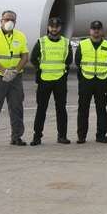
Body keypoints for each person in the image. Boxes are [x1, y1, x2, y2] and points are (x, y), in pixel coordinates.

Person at [0, 10, 30, 149]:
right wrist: (4, 71)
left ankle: (16, 137)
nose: (9, 22)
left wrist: (15, 71)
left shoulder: (20, 36)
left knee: (16, 107)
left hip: (15, 77)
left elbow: (25, 57)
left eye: (12, 20)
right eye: (6, 19)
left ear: (15, 22)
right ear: (1, 21)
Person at [29, 17, 72, 146]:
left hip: (60, 80)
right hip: (44, 80)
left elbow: (69, 60)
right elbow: (33, 59)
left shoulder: (66, 42)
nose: (54, 29)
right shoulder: (41, 42)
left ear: (60, 28)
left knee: (61, 109)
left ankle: (62, 136)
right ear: (48, 27)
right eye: (52, 26)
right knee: (41, 109)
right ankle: (37, 137)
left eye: (57, 26)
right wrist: (41, 69)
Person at [74, 20, 107, 144]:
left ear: (102, 31)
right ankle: (81, 136)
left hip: (101, 82)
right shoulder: (83, 44)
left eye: (98, 29)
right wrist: (82, 77)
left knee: (101, 110)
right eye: (93, 28)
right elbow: (77, 61)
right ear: (90, 30)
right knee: (83, 109)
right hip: (86, 81)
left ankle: (101, 135)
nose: (96, 31)